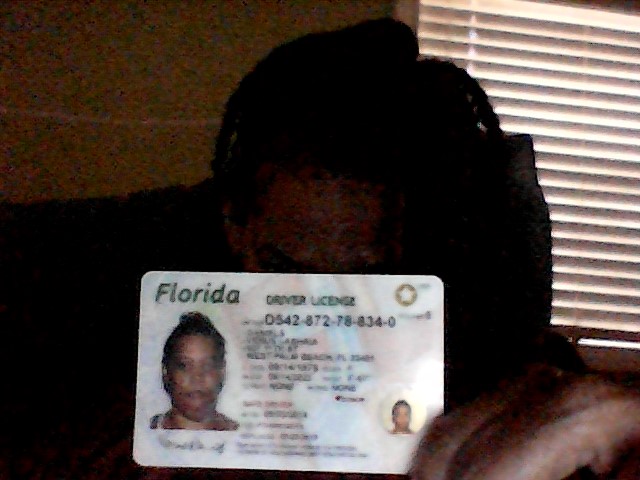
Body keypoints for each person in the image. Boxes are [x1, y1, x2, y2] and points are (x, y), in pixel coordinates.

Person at [1, 17, 638, 479]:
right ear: (236, 227)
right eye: (285, 268)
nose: (317, 310)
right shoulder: (122, 387)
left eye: (363, 277)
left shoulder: (492, 386)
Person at [150, 312, 238, 431]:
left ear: (222, 371)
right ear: (166, 372)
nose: (197, 378)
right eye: (184, 366)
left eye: (207, 366)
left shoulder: (244, 435)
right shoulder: (142, 431)